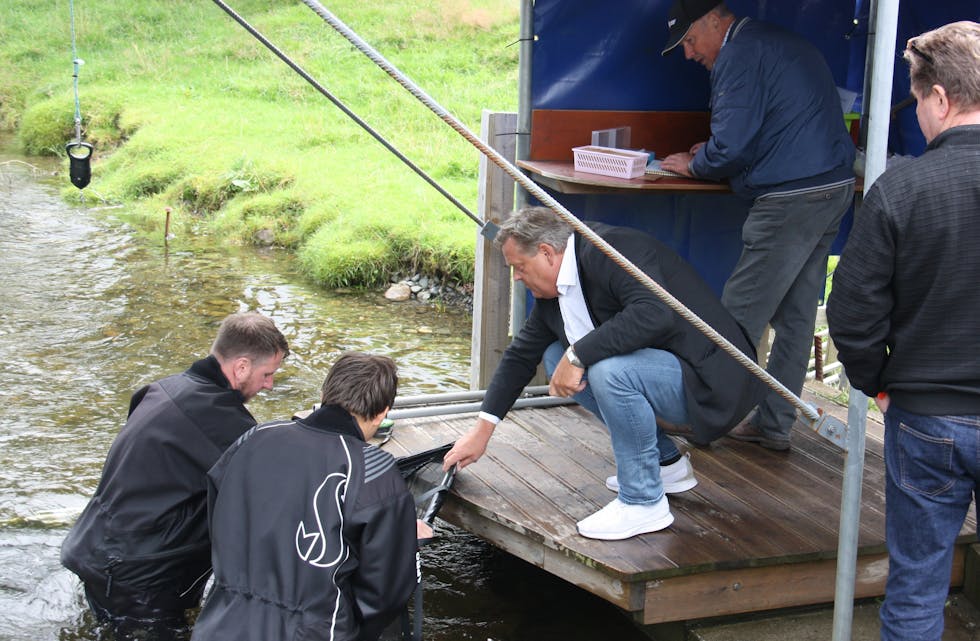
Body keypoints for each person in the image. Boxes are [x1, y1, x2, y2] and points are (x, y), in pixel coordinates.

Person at [442, 206, 765, 540]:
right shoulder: (553, 296)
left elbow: (655, 314)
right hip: (672, 373)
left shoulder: (611, 251)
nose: (517, 278)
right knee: (555, 357)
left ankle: (643, 502)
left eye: (519, 267)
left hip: (713, 382)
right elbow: (519, 357)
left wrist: (579, 354)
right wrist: (482, 432)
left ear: (547, 253)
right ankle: (666, 464)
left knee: (610, 371)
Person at [826, 21, 980, 641]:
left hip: (926, 417)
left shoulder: (903, 187)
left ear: (939, 98)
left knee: (916, 589)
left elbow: (853, 309)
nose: (917, 114)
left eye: (917, 100)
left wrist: (876, 382)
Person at [660, 0, 856, 451]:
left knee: (734, 317)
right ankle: (773, 423)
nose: (689, 54)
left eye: (689, 40)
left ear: (714, 18)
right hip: (832, 188)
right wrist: (709, 153)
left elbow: (730, 150)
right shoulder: (775, 41)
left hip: (790, 198)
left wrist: (694, 163)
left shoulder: (738, 55)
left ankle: (703, 416)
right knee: (796, 318)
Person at [61, 311, 289, 639]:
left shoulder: (162, 389)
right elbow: (277, 491)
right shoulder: (221, 422)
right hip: (137, 574)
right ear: (241, 367)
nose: (269, 384)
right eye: (267, 374)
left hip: (95, 547)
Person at [190, 352, 424, 641]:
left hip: (221, 624)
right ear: (381, 413)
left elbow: (217, 518)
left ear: (325, 393)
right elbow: (388, 590)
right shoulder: (374, 470)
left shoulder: (253, 438)